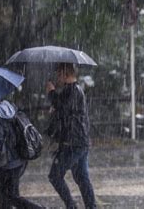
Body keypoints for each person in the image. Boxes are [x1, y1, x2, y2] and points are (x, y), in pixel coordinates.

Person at [0, 100, 43, 209]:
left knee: (11, 196)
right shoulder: (9, 106)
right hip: (20, 157)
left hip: (10, 162)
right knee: (5, 195)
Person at [46, 63, 96, 209]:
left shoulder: (73, 90)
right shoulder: (72, 90)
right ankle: (91, 206)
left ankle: (71, 206)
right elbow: (64, 110)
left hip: (73, 143)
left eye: (59, 74)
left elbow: (63, 109)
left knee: (55, 176)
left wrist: (51, 93)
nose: (57, 77)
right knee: (81, 177)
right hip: (79, 141)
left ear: (65, 73)